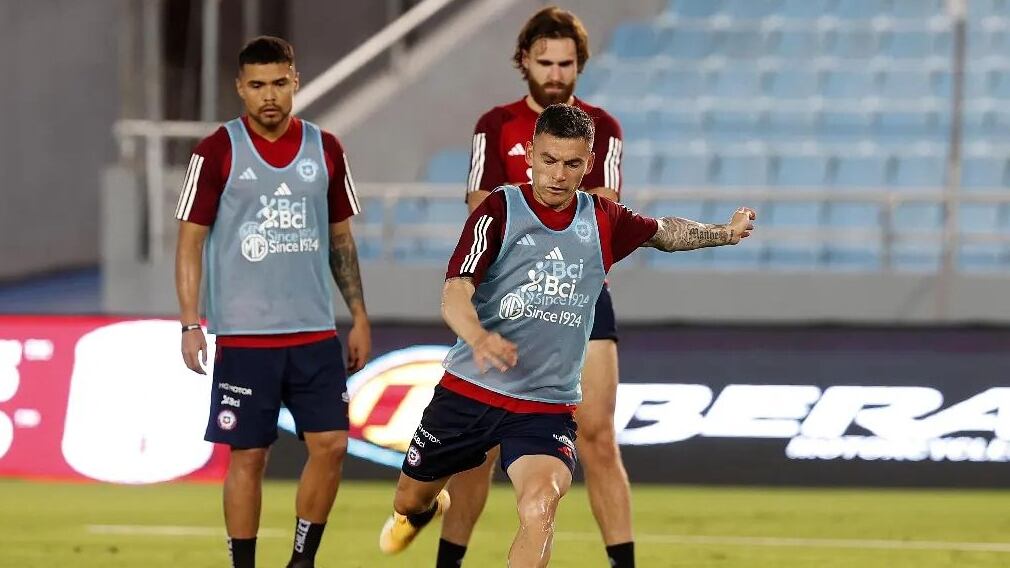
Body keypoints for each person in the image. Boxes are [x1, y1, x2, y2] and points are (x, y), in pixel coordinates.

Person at [378, 103, 756, 567]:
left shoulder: (603, 220)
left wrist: (725, 232)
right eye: (549, 160)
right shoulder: (499, 210)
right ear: (530, 156)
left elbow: (666, 233)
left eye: (572, 164)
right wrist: (477, 337)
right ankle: (424, 509)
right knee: (408, 499)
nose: (558, 174)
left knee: (540, 507)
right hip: (470, 392)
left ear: (589, 164)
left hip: (545, 406)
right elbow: (456, 289)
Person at [175, 36, 371, 568]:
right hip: (245, 336)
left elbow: (341, 240)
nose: (269, 95)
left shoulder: (326, 148)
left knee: (330, 445)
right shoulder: (215, 151)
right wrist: (190, 324)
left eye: (279, 83)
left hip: (313, 332)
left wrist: (357, 315)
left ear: (295, 82)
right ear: (240, 88)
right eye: (257, 85)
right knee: (250, 456)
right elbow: (190, 241)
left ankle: (301, 561)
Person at [451, 6, 632, 567]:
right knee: (477, 446)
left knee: (598, 435)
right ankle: (448, 558)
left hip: (578, 294)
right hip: (505, 300)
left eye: (566, 63)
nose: (555, 74)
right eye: (544, 62)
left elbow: (605, 213)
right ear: (523, 62)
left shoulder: (603, 128)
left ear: (580, 65)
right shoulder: (495, 125)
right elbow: (479, 207)